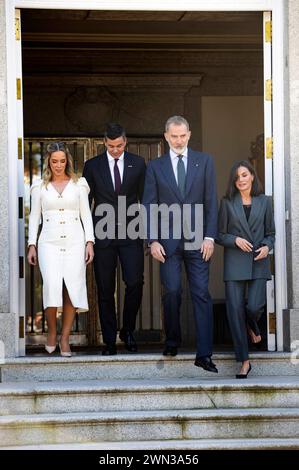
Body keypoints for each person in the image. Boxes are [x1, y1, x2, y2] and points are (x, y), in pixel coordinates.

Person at [142, 116, 218, 373]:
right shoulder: (155, 166)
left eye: (182, 135)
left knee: (201, 294)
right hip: (168, 242)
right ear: (166, 136)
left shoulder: (204, 161)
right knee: (172, 291)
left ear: (189, 134)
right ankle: (172, 340)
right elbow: (149, 205)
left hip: (199, 241)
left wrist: (210, 237)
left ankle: (204, 354)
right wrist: (152, 239)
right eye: (173, 136)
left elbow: (211, 202)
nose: (178, 140)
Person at [83, 123, 146, 355]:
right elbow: (85, 204)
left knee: (135, 282)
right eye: (111, 146)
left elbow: (145, 199)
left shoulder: (138, 164)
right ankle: (109, 340)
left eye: (119, 145)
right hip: (102, 235)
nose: (116, 150)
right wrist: (86, 238)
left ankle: (127, 330)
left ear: (125, 141)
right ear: (104, 142)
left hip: (131, 233)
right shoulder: (92, 166)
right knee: (105, 288)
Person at [27, 142, 94, 357]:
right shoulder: (39, 187)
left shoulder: (79, 184)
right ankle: (52, 333)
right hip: (49, 243)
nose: (58, 165)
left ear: (68, 162)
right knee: (52, 287)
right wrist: (32, 245)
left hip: (75, 241)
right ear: (48, 161)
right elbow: (34, 217)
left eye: (62, 161)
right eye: (54, 161)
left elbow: (86, 214)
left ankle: (65, 338)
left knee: (72, 289)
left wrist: (89, 242)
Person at [217, 160, 275, 378]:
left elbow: (271, 233)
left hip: (259, 262)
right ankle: (244, 361)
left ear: (252, 176)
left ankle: (252, 323)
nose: (240, 180)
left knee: (252, 308)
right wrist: (235, 240)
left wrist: (267, 247)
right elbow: (220, 235)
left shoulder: (265, 202)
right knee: (234, 312)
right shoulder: (227, 203)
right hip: (234, 263)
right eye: (237, 177)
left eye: (244, 175)